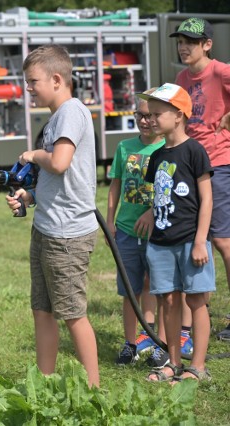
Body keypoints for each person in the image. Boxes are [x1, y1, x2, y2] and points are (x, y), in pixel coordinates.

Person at [6, 44, 100, 387]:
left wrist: (33, 154)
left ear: (57, 79)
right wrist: (30, 196)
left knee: (73, 314)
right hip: (47, 227)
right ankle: (43, 384)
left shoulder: (71, 112)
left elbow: (59, 162)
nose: (28, 88)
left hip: (68, 235)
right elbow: (58, 176)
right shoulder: (57, 117)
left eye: (33, 81)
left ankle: (93, 390)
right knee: (42, 309)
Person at [139, 83, 215, 382]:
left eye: (158, 114)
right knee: (167, 302)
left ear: (179, 115)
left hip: (190, 241)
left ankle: (197, 366)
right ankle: (172, 362)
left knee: (196, 301)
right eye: (150, 113)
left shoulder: (194, 151)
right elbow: (161, 195)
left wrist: (200, 241)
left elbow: (206, 199)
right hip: (160, 243)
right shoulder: (157, 156)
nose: (152, 119)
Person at [170, 18, 230, 342]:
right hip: (188, 165)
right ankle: (193, 320)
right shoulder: (181, 78)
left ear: (207, 44)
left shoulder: (221, 72)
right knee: (192, 241)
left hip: (219, 163)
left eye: (190, 42)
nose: (183, 47)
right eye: (180, 41)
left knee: (222, 241)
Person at [106, 90, 164, 365]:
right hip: (126, 230)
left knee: (156, 288)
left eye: (151, 115)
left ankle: (157, 342)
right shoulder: (124, 147)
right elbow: (115, 184)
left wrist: (153, 213)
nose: (145, 121)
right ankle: (130, 343)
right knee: (130, 290)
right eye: (140, 115)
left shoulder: (166, 148)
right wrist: (109, 222)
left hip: (157, 233)